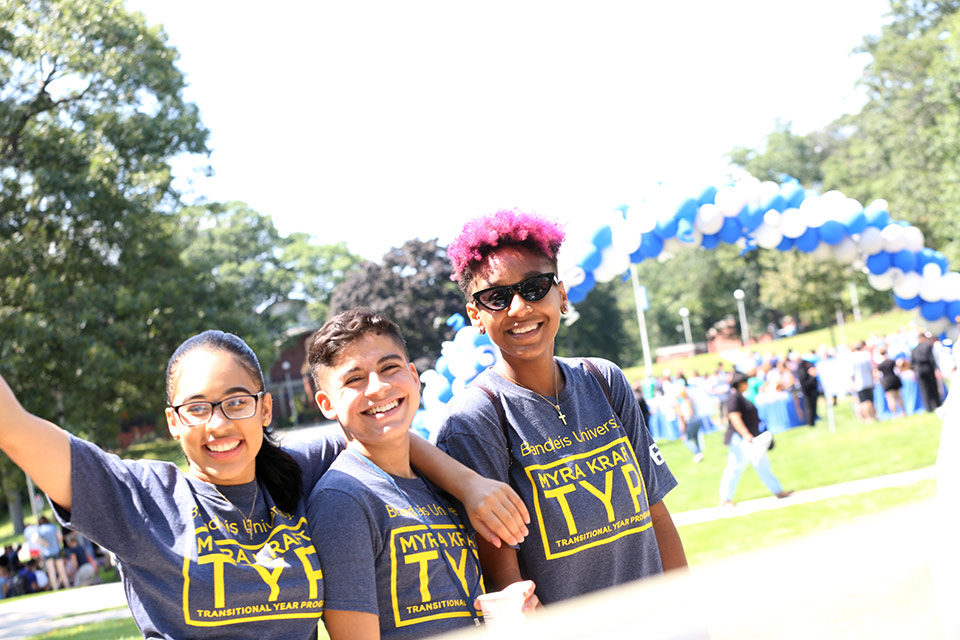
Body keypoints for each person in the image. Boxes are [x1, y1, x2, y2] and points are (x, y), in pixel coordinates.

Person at [0, 330, 529, 638]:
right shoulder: (140, 499)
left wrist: (468, 484)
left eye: (236, 402)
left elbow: (379, 427)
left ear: (265, 408)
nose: (219, 424)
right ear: (173, 422)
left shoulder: (297, 470)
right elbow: (16, 429)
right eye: (197, 408)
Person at [435, 209, 686, 606]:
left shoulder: (604, 379)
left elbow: (655, 513)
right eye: (497, 298)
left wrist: (690, 611)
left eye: (535, 287)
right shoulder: (474, 417)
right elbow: (502, 571)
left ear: (562, 294)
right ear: (476, 316)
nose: (519, 308)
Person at [305, 309, 536, 639]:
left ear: (414, 377)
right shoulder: (342, 501)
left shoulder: (439, 480)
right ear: (326, 404)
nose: (378, 387)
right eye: (354, 379)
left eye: (389, 368)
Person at [719, 372, 792, 507]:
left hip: (749, 437)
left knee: (761, 463)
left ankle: (778, 490)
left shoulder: (741, 397)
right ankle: (725, 498)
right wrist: (745, 434)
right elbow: (734, 417)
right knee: (735, 466)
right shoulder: (735, 397)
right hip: (740, 438)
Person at [911, 332, 943, 412]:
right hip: (928, 368)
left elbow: (913, 363)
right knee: (933, 387)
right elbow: (931, 359)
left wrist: (915, 372)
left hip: (919, 370)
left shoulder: (914, 350)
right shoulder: (927, 346)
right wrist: (936, 368)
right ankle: (937, 404)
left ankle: (928, 408)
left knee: (924, 390)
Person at [676, 386, 705, 463]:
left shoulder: (686, 402)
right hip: (697, 420)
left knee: (686, 440)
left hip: (691, 422)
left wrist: (681, 414)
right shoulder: (691, 399)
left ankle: (697, 453)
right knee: (695, 438)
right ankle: (699, 453)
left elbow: (688, 413)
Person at [850, 342, 877, 423]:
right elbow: (871, 369)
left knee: (864, 402)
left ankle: (868, 418)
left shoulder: (852, 358)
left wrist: (852, 384)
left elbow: (851, 374)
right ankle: (874, 416)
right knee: (871, 401)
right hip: (869, 381)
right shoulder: (866, 356)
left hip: (859, 383)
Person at [875, 348, 904, 418]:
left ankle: (895, 414)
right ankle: (903, 412)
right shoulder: (891, 362)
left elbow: (878, 375)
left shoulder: (880, 365)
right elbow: (897, 371)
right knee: (899, 397)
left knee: (891, 399)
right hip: (894, 379)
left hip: (886, 382)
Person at [794, 351, 820, 426]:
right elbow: (805, 384)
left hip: (812, 391)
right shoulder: (802, 371)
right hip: (807, 392)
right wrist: (811, 376)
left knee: (813, 406)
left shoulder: (808, 369)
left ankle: (813, 420)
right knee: (809, 407)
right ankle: (810, 422)